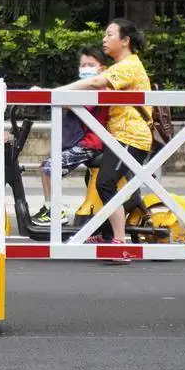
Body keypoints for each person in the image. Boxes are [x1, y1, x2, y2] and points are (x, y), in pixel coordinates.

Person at [51, 18, 153, 255]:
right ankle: (105, 232)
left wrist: (54, 93)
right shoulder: (118, 68)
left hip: (131, 137)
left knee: (105, 182)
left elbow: (97, 82)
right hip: (115, 136)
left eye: (109, 35)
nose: (104, 40)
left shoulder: (129, 65)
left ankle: (119, 241)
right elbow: (97, 88)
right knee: (95, 178)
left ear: (125, 41)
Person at [31, 47, 109, 226]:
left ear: (102, 69)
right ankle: (51, 206)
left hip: (90, 144)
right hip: (83, 141)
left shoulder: (99, 90)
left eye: (90, 64)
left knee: (50, 166)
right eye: (83, 65)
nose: (85, 68)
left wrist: (44, 93)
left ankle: (56, 211)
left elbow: (67, 102)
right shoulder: (86, 89)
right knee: (46, 166)